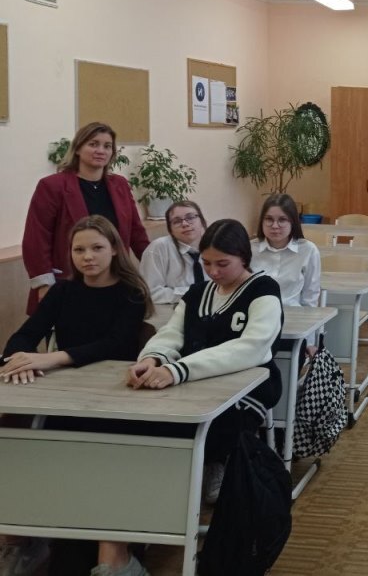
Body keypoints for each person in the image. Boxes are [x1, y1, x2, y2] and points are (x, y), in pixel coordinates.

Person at [1, 215, 153, 576]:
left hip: (115, 401)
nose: (87, 257)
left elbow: (115, 344)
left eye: (97, 248)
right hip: (65, 397)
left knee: (90, 458)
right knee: (20, 444)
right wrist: (20, 359)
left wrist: (51, 358)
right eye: (78, 249)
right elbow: (25, 334)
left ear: (114, 249)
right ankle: (23, 535)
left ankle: (111, 545)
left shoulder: (130, 293)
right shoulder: (62, 292)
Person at [128, 219, 283, 501]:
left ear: (243, 257)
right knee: (147, 414)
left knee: (220, 421)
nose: (213, 271)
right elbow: (173, 333)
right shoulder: (197, 293)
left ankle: (216, 463)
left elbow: (251, 348)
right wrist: (152, 358)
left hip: (249, 384)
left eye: (222, 264)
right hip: (193, 379)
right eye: (206, 263)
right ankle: (160, 476)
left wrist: (178, 370)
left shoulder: (263, 289)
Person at [22, 122, 149, 314]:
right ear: (78, 148)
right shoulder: (53, 186)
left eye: (107, 146)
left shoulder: (120, 185)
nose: (101, 150)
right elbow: (37, 238)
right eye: (93, 144)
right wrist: (43, 284)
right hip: (68, 281)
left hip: (115, 280)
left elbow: (136, 232)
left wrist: (156, 266)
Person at [249, 193, 321, 307]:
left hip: (294, 314)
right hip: (256, 313)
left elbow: (310, 297)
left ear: (293, 222)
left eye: (282, 220)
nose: (275, 226)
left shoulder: (308, 250)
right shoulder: (250, 249)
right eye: (269, 219)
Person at [139, 201, 208, 304]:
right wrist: (193, 293)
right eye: (177, 221)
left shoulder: (216, 244)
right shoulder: (158, 248)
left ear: (202, 221)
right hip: (173, 307)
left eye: (190, 217)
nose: (185, 224)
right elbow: (150, 292)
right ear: (170, 229)